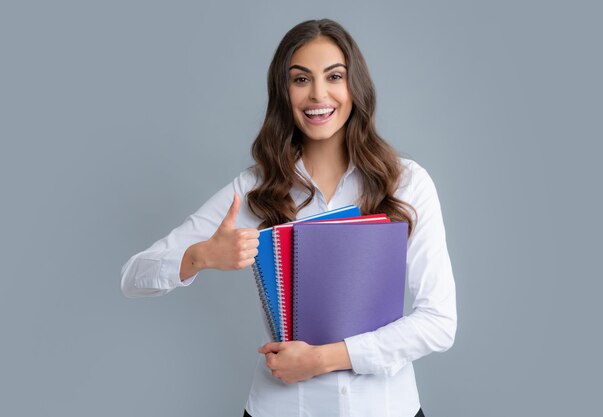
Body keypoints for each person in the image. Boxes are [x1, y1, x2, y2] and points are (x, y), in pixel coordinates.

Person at [121, 18, 456, 417]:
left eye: (334, 76)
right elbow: (132, 278)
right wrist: (202, 256)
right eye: (300, 79)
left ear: (356, 87)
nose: (318, 94)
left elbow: (439, 321)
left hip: (385, 408)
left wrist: (323, 359)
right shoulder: (253, 190)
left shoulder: (406, 184)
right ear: (283, 92)